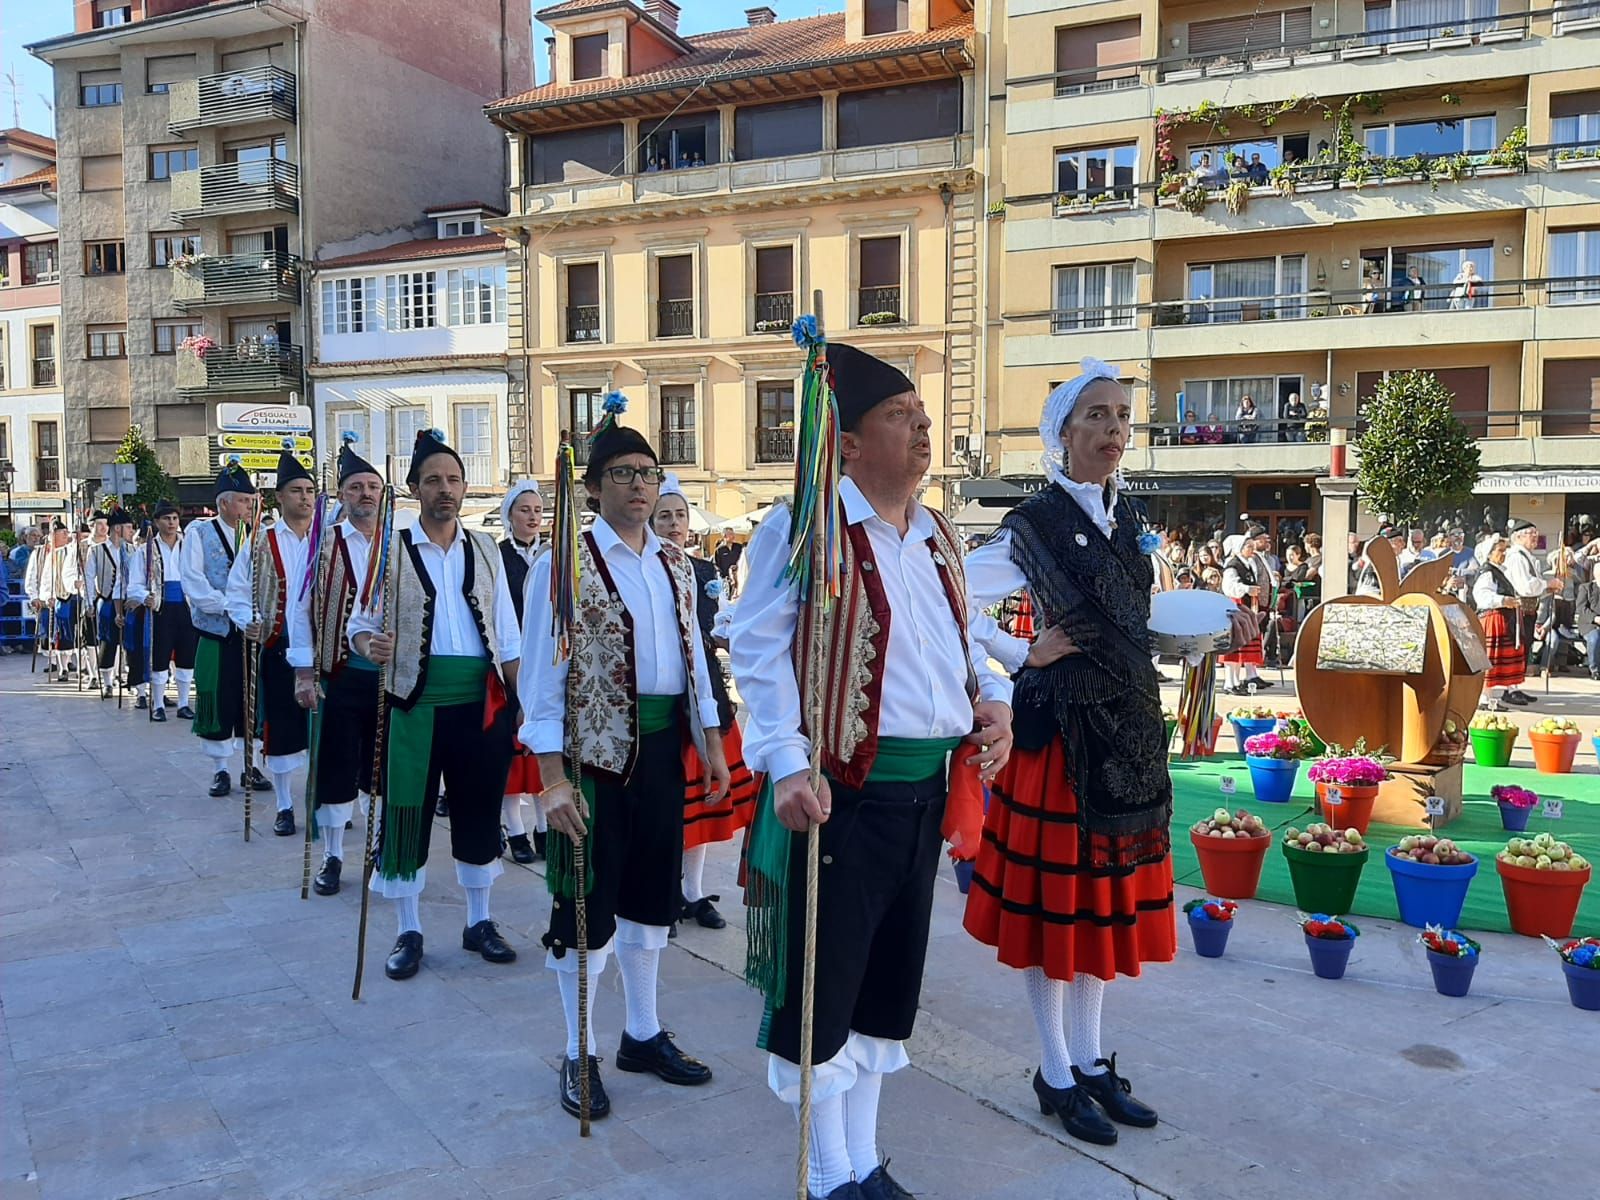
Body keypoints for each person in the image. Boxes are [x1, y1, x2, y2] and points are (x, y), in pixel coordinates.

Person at [731, 343, 1013, 1200]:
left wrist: (991, 698)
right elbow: (758, 648)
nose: (924, 430)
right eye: (902, 418)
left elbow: (957, 644)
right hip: (843, 793)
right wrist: (783, 764)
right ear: (849, 443)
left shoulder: (938, 538)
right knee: (828, 989)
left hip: (928, 793)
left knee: (888, 989)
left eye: (924, 418)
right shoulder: (804, 525)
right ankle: (824, 1176)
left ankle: (862, 1162)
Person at [961, 358, 1253, 1150]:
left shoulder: (1126, 522)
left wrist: (1202, 637)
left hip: (1126, 734)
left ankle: (1088, 1061)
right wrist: (1020, 653)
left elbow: (1133, 625)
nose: (1114, 428)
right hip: (1061, 740)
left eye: (1122, 415)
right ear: (1062, 431)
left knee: (1098, 910)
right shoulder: (1034, 523)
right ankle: (1053, 1072)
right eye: (1096, 414)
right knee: (1059, 913)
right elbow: (947, 591)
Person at [521, 398, 729, 1121]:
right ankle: (579, 1048)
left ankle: (642, 1034)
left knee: (650, 901)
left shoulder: (675, 562)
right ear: (594, 486)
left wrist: (709, 739)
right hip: (593, 759)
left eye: (648, 473)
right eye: (622, 473)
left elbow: (692, 655)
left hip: (665, 748)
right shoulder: (561, 564)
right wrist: (549, 777)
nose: (639, 486)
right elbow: (541, 679)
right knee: (584, 909)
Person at [350, 429, 523, 980]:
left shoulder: (486, 550)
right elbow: (358, 626)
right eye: (432, 480)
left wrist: (521, 699)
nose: (444, 489)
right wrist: (367, 645)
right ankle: (409, 928)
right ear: (413, 489)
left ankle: (479, 922)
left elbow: (508, 632)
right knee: (408, 816)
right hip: (413, 703)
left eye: (452, 479)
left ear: (465, 487)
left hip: (481, 702)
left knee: (478, 811)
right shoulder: (389, 549)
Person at [650, 474, 760, 931]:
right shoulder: (645, 568)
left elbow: (710, 631)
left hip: (707, 695)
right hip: (665, 698)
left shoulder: (703, 570)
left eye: (680, 515)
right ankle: (662, 891)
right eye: (665, 516)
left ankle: (692, 893)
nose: (675, 524)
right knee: (667, 808)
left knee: (704, 805)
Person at [292, 436, 384, 897]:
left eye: (373, 486)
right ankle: (333, 855)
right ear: (343, 494)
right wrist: (304, 671)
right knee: (334, 770)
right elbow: (300, 609)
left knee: (381, 771)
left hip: (391, 682)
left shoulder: (401, 543)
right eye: (356, 487)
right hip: (338, 676)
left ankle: (379, 847)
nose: (366, 493)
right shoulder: (322, 544)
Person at [226, 450, 316, 837]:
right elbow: (236, 591)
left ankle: (325, 801)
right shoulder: (260, 542)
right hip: (278, 646)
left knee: (323, 732)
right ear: (280, 497)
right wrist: (248, 622)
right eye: (296, 490)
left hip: (323, 652)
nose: (305, 498)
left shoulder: (329, 538)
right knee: (280, 730)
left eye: (310, 490)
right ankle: (284, 804)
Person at [183, 463, 270, 799]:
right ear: (224, 503)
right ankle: (220, 770)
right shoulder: (199, 533)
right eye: (245, 500)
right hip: (217, 631)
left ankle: (252, 765)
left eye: (252, 500)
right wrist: (228, 607)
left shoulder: (258, 535)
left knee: (253, 697)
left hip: (252, 632)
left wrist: (256, 612)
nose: (250, 506)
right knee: (217, 697)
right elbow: (193, 579)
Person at [497, 478, 548, 865]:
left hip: (545, 662)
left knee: (545, 747)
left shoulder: (552, 556)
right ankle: (515, 829)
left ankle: (545, 826)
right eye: (524, 510)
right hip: (509, 664)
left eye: (536, 510)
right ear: (509, 515)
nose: (532, 517)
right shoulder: (497, 557)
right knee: (513, 755)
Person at [147, 500, 198, 722]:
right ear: (157, 521)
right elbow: (135, 583)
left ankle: (184, 703)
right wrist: (143, 596)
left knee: (186, 656)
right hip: (161, 607)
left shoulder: (188, 546)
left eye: (175, 518)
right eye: (167, 518)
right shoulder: (147, 549)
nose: (171, 523)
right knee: (160, 656)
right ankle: (157, 704)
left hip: (186, 607)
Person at [1474, 537, 1530, 709]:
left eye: (1505, 550)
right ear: (1489, 554)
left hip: (1504, 619)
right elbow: (1481, 595)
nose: (1504, 554)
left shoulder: (1501, 571)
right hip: (1493, 619)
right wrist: (1503, 600)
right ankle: (1485, 698)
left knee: (1499, 661)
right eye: (1500, 550)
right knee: (1491, 660)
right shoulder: (1487, 572)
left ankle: (1494, 696)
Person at [1504, 519, 1557, 693]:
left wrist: (1547, 589)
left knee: (1524, 649)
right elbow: (1524, 586)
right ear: (1518, 537)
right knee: (1517, 649)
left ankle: (1515, 688)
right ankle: (1510, 689)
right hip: (1517, 611)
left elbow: (1533, 588)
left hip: (1528, 610)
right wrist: (1547, 583)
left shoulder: (1527, 557)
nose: (1535, 536)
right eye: (1530, 533)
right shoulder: (1517, 557)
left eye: (1536, 532)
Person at [1220, 523, 1273, 694]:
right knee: (1236, 647)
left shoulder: (1249, 563)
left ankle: (1240, 680)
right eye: (1247, 546)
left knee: (1245, 645)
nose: (1251, 549)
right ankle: (1230, 683)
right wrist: (1246, 589)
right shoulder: (1232, 565)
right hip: (1236, 607)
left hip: (1247, 608)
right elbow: (1229, 587)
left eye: (1251, 545)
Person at [713, 530, 743, 598]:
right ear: (724, 536)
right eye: (731, 534)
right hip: (726, 580)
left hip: (739, 577)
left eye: (733, 534)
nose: (733, 536)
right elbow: (716, 564)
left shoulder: (739, 547)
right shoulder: (719, 550)